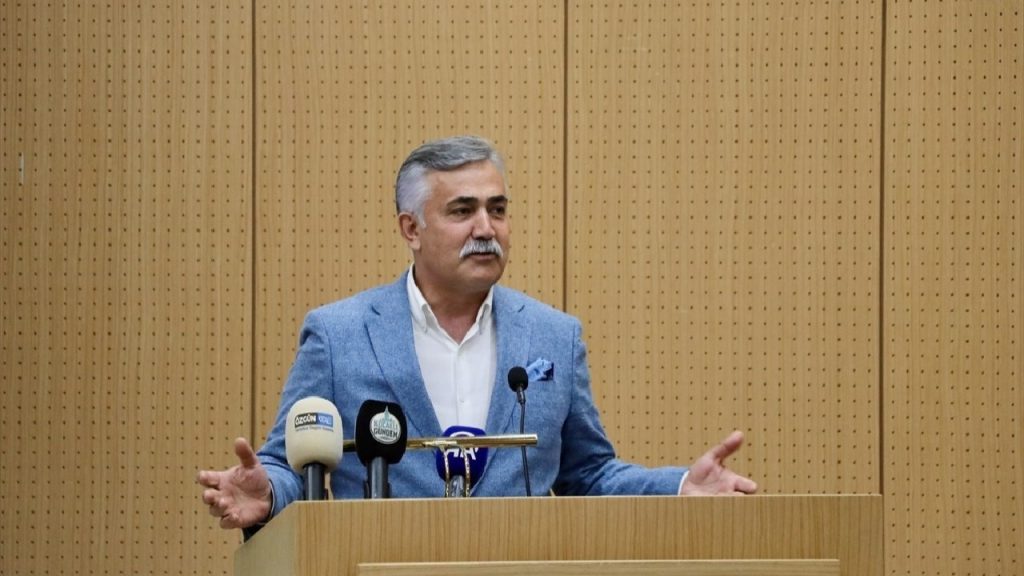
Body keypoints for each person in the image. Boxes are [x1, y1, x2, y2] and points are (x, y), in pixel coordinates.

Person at [198, 135, 757, 531]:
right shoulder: (339, 334)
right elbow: (291, 464)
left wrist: (678, 486)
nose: (486, 229)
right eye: (462, 211)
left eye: (498, 209)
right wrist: (267, 492)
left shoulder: (554, 336)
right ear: (411, 228)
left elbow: (587, 474)